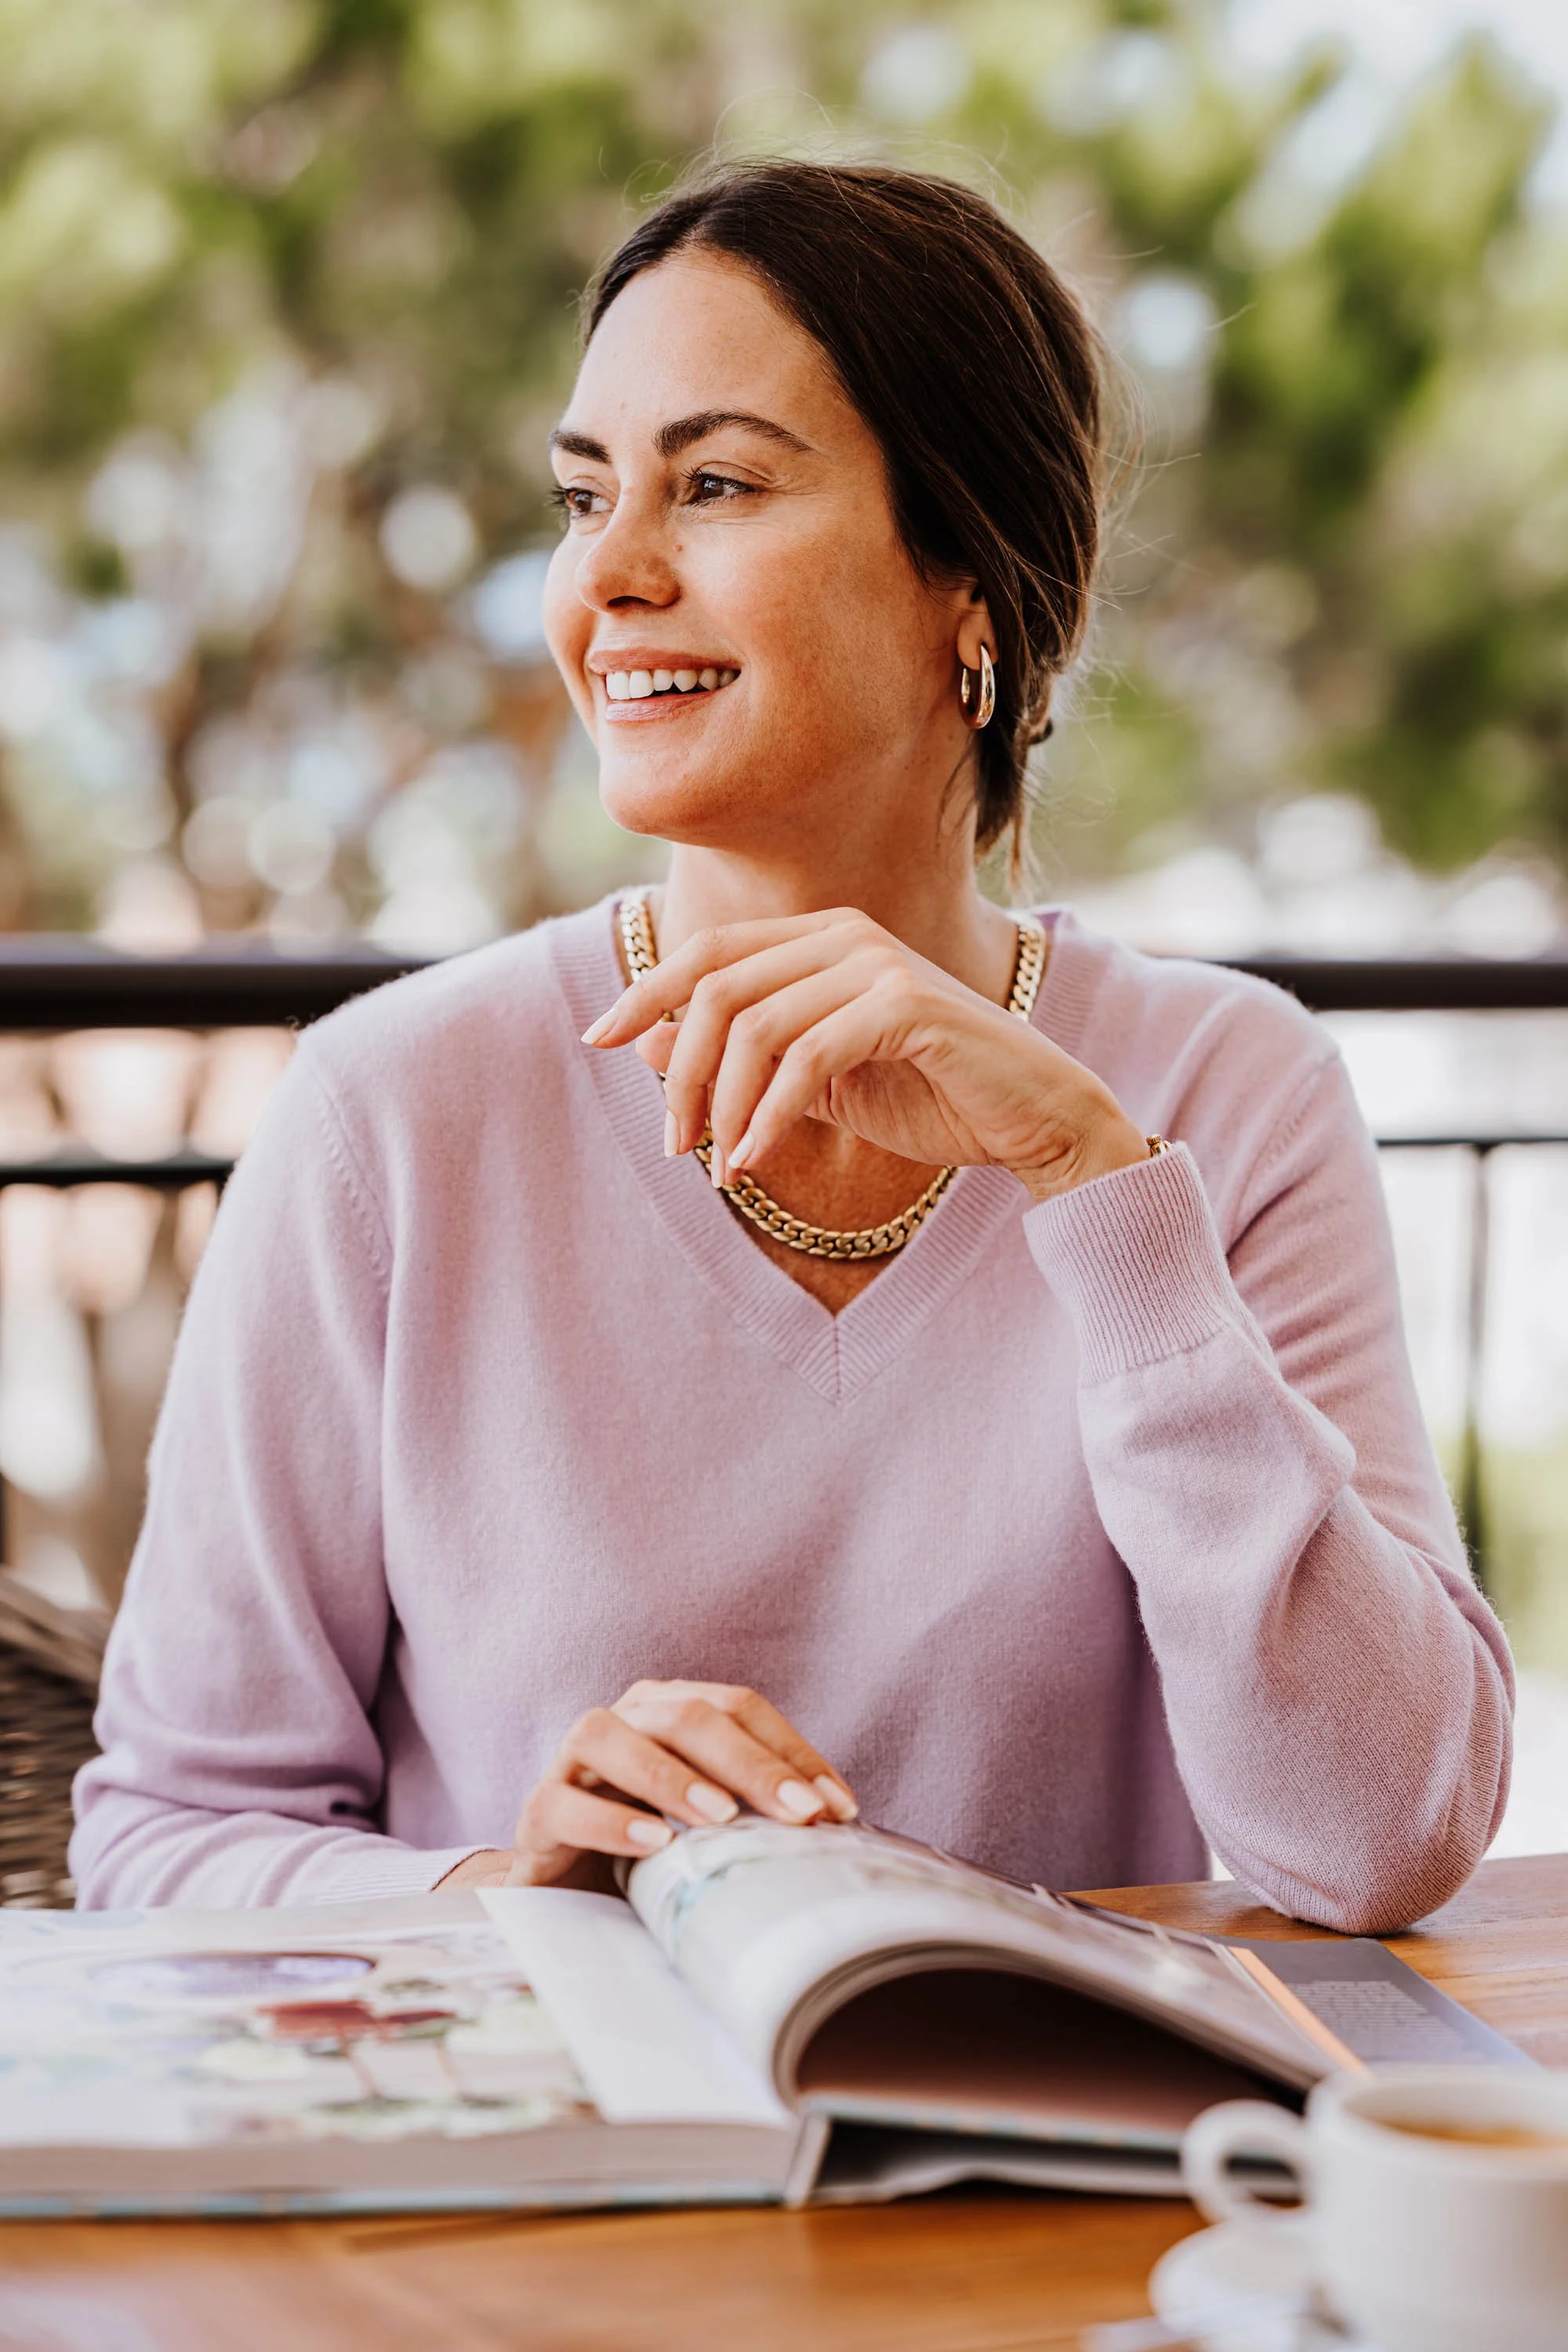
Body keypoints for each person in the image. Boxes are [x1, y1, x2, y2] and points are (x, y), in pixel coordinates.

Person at [72, 162, 1512, 1933]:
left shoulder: (1223, 1092)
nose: (607, 573)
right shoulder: (394, 1111)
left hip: (1046, 2185)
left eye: (718, 484)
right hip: (559, 2183)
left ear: (967, 588)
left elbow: (1383, 1842)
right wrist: (500, 1893)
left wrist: (1094, 1189)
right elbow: (160, 1837)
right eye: (583, 494)